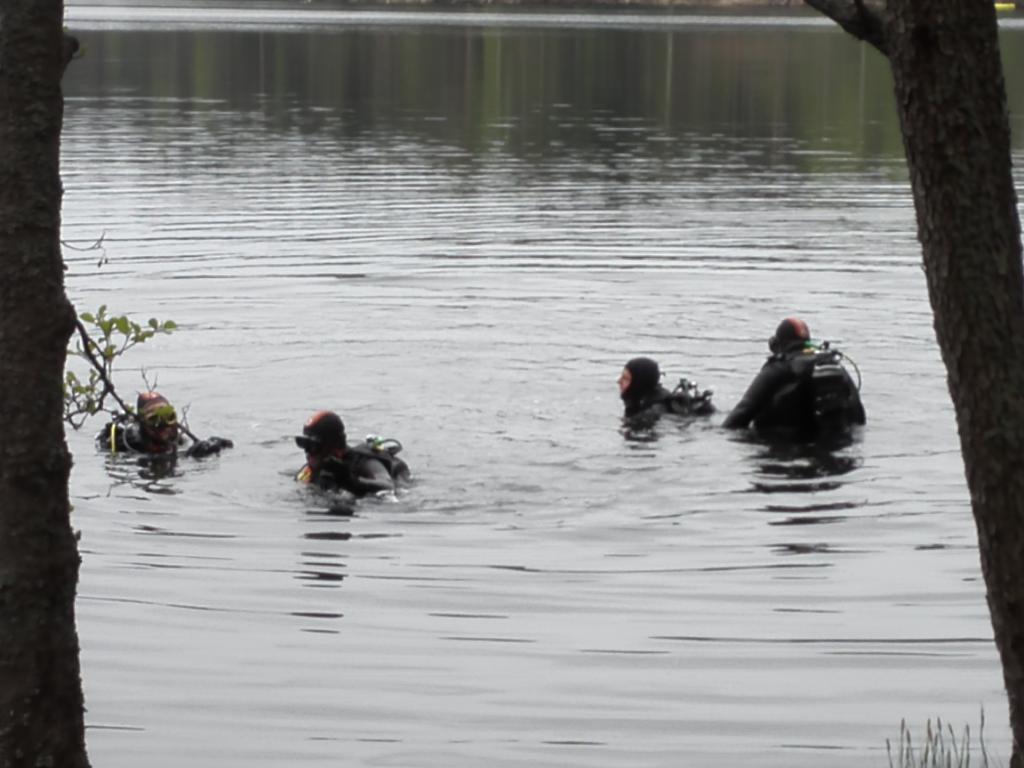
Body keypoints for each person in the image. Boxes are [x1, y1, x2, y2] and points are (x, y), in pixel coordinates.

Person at [722, 317, 866, 440]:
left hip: (784, 450)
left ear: (776, 344)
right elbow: (859, 418)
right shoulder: (832, 365)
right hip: (834, 448)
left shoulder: (779, 367)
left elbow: (739, 417)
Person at [295, 410, 410, 497]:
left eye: (313, 446)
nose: (307, 452)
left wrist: (349, 481)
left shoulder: (364, 462)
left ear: (333, 445)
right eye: (304, 444)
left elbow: (388, 485)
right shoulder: (307, 471)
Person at [96, 391, 232, 458]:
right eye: (154, 420)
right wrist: (189, 457)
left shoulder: (178, 440)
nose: (164, 427)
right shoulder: (130, 444)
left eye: (168, 417)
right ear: (142, 422)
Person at [618, 356, 715, 419]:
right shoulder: (660, 398)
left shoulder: (650, 414)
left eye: (625, 379)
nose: (619, 381)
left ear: (638, 383)